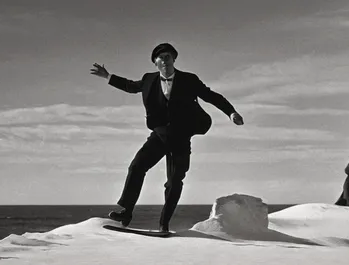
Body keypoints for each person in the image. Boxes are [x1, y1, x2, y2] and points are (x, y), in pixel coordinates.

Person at [90, 43, 244, 232]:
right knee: (137, 167)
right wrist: (108, 76)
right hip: (159, 136)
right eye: (161, 57)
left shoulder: (189, 79)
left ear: (174, 60)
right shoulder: (149, 80)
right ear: (155, 62)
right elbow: (131, 86)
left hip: (181, 137)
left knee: (173, 182)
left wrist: (231, 112)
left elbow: (211, 96)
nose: (165, 60)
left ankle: (164, 224)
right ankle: (126, 212)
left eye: (168, 57)